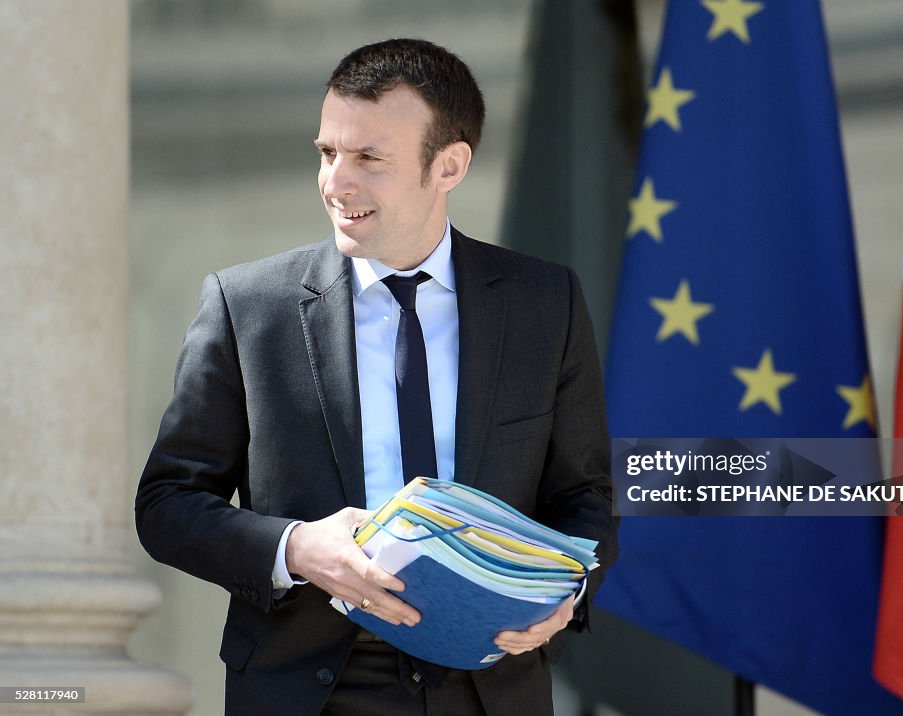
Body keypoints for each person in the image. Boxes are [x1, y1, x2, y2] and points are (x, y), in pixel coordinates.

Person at [135, 38, 617, 716]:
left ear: (448, 166)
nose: (336, 182)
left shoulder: (546, 304)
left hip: (490, 690)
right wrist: (297, 548)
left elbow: (586, 497)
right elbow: (167, 504)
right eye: (328, 153)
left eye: (369, 158)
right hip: (307, 691)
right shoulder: (247, 307)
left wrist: (562, 595)